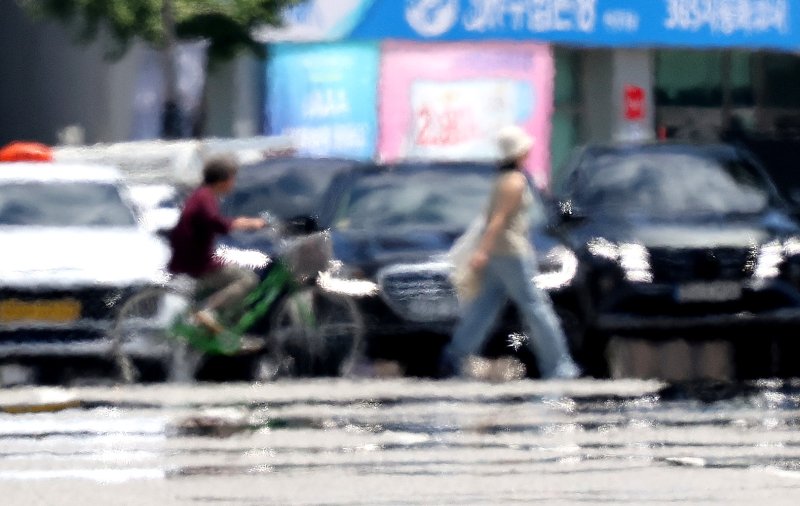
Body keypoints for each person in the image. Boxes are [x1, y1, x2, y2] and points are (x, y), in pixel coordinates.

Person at [440, 125, 581, 380]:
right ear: (517, 152)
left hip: (498, 252)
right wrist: (481, 252)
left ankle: (456, 356)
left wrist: (484, 250)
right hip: (511, 252)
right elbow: (498, 220)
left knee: (484, 306)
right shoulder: (514, 181)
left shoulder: (504, 180)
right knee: (536, 308)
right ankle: (559, 365)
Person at [168, 155, 267, 333]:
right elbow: (217, 224)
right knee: (248, 279)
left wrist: (242, 222)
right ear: (222, 180)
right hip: (198, 263)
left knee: (236, 277)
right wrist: (248, 223)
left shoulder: (200, 195)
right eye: (232, 179)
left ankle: (226, 327)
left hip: (190, 259)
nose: (233, 184)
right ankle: (210, 311)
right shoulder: (205, 198)